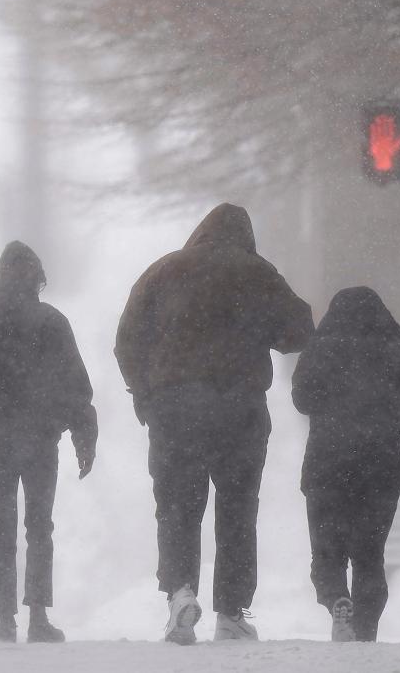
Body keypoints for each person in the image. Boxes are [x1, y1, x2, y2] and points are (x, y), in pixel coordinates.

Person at [115, 203, 314, 645]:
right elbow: (300, 329)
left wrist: (145, 394)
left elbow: (127, 338)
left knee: (177, 505)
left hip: (175, 408)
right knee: (237, 510)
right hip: (238, 407)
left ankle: (180, 594)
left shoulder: (163, 271)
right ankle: (231, 613)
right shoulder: (257, 272)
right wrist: (258, 327)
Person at [0, 241, 98, 644]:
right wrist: (83, 435)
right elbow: (75, 386)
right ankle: (37, 616)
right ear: (36, 277)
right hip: (39, 440)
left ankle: (4, 621)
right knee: (39, 526)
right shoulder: (51, 322)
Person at [291, 286, 400, 642]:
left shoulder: (320, 351)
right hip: (379, 469)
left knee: (327, 551)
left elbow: (302, 400)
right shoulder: (395, 356)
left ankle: (337, 598)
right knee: (370, 556)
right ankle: (365, 629)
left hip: (326, 466)